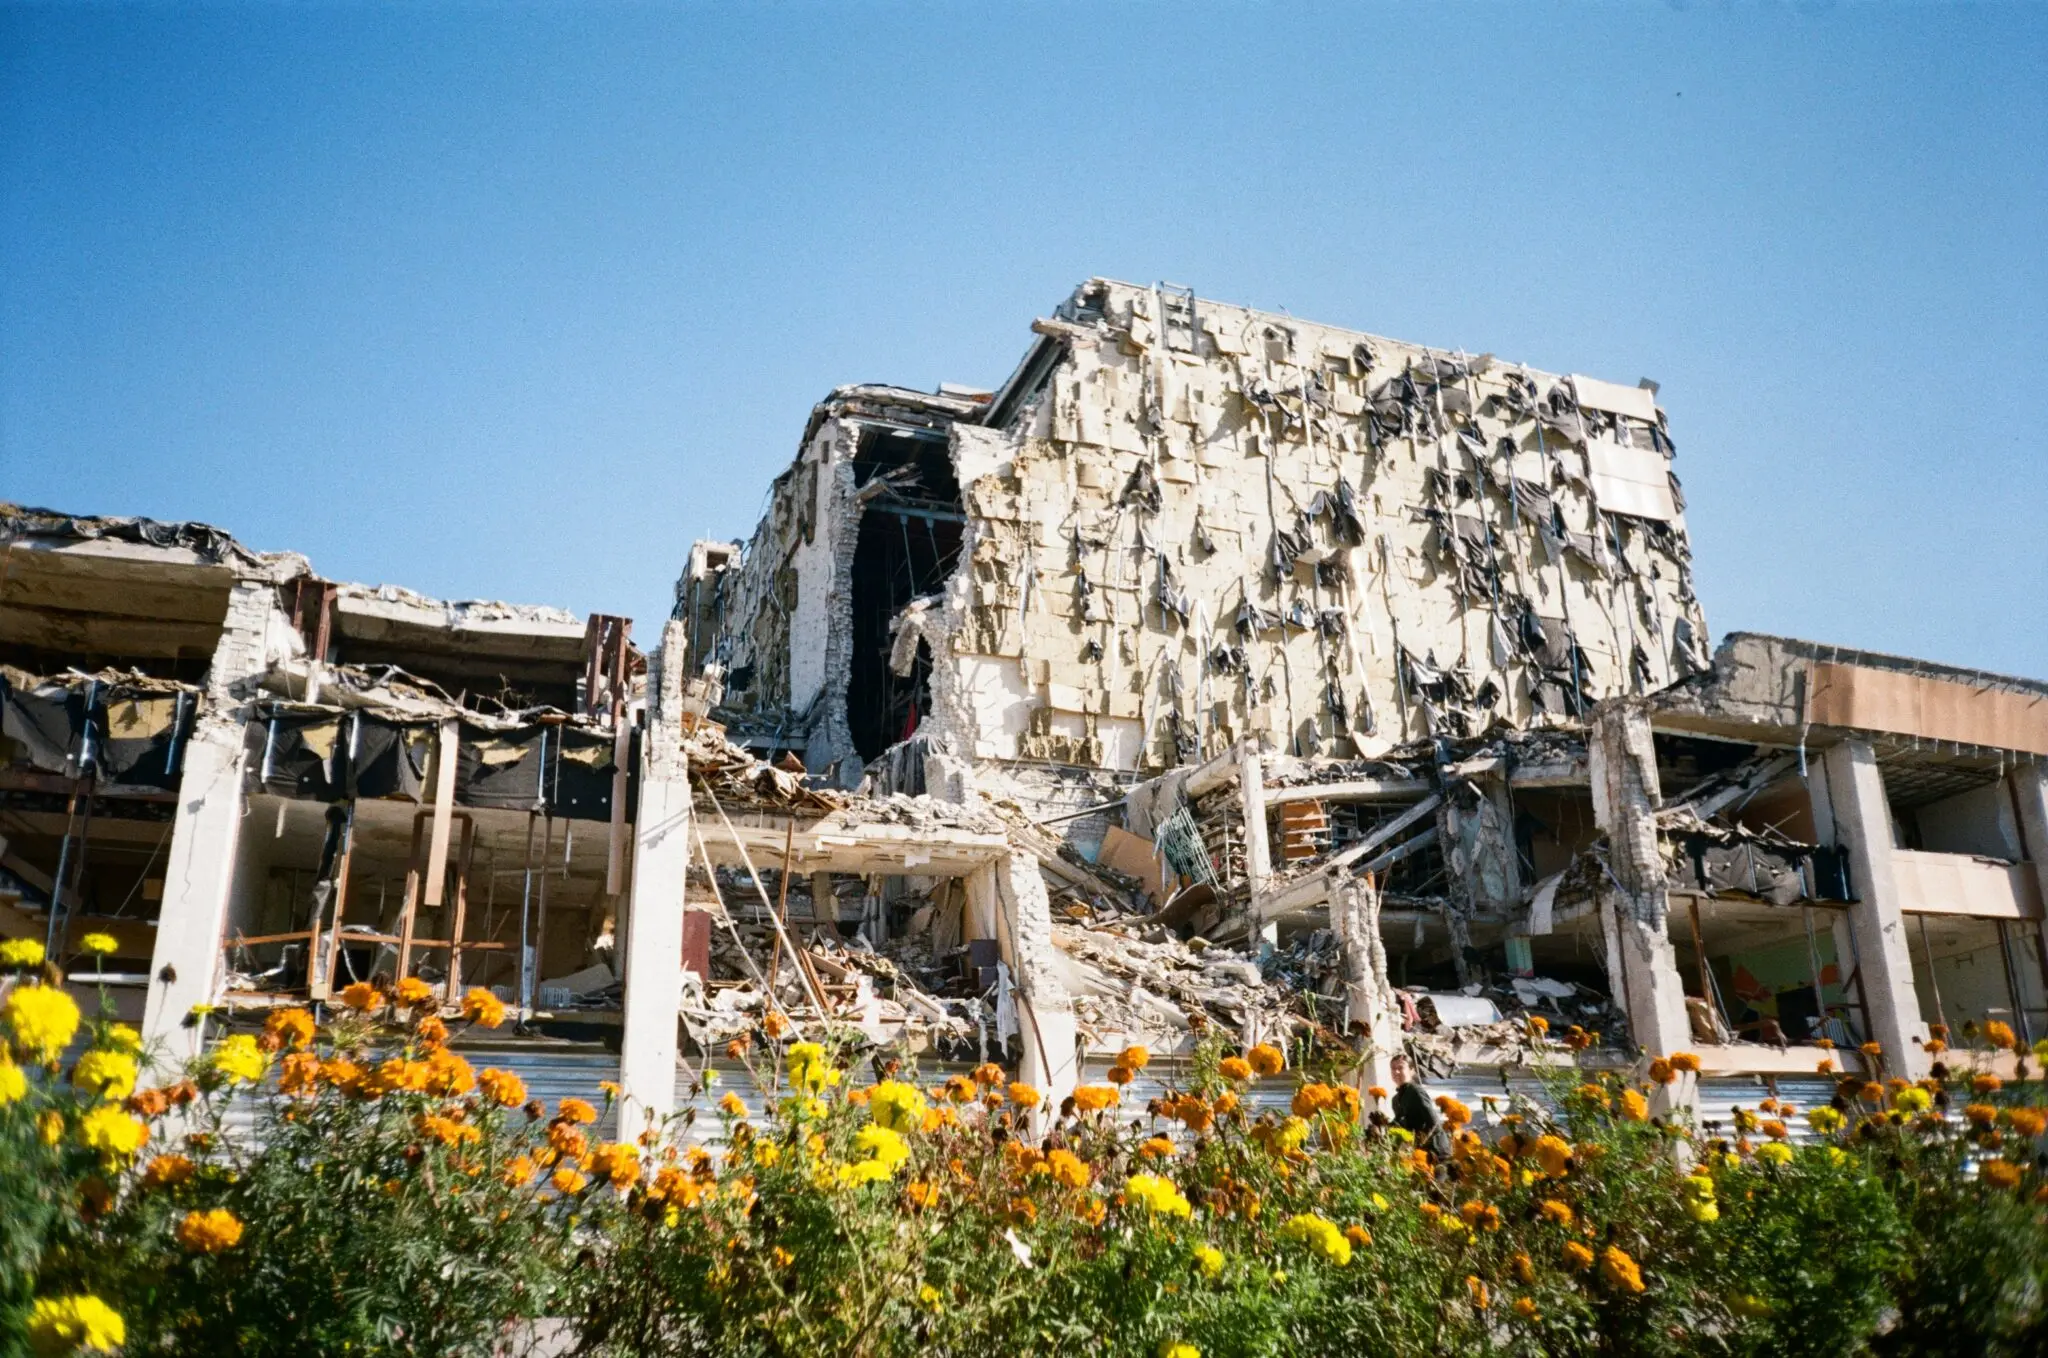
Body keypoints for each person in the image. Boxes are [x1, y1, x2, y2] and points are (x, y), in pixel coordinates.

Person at [1387, 1053, 1452, 1160]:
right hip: (1419, 1152)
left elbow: (1434, 1123)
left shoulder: (1416, 1091)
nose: (1396, 1072)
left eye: (1400, 1068)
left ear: (1411, 1070)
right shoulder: (1396, 1099)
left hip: (1436, 1151)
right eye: (1393, 1068)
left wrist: (1422, 1144)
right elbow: (1399, 1125)